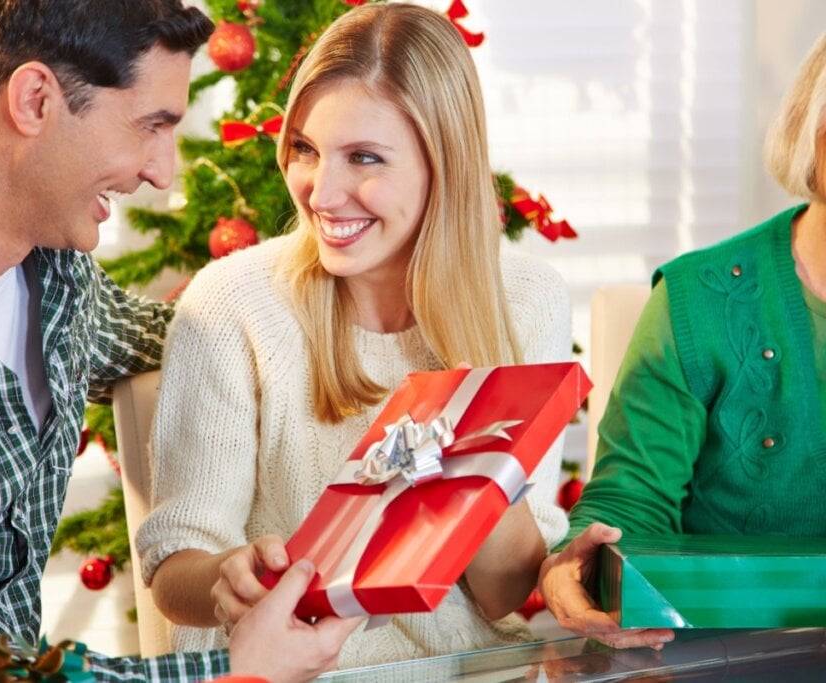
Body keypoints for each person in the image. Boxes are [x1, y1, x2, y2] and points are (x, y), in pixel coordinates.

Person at [0, 1, 358, 680]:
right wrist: (232, 671)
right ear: (35, 99)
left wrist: (365, 291)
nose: (163, 171)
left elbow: (194, 336)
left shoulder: (54, 271)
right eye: (150, 126)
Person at [138, 2, 573, 670]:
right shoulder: (233, 304)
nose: (321, 192)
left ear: (443, 164)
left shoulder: (525, 300)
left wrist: (474, 426)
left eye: (364, 158)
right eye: (307, 150)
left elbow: (505, 592)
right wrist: (228, 576)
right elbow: (174, 573)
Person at [538, 30, 826, 651]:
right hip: (727, 654)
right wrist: (576, 567)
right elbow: (630, 503)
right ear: (811, 133)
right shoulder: (698, 299)